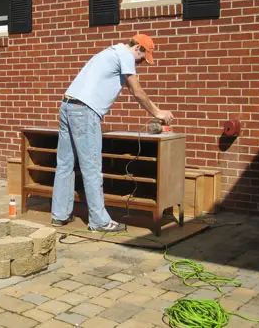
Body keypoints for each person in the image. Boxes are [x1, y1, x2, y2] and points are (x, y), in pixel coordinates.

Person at [51, 34, 174, 232]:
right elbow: (137, 92)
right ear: (138, 49)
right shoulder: (125, 56)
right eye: (142, 59)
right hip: (84, 111)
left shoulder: (110, 52)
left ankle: (59, 215)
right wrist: (158, 112)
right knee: (91, 167)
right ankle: (99, 221)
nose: (140, 63)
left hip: (67, 106)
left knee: (65, 164)